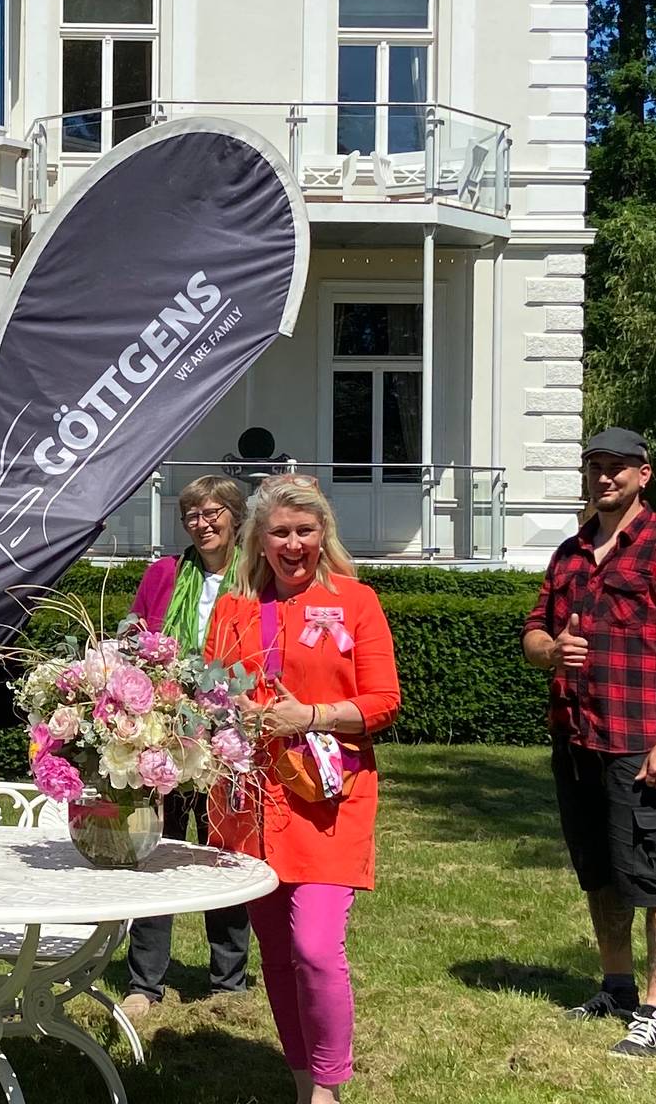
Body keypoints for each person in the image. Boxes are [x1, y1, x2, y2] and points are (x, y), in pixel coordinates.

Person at [520, 426, 656, 1058]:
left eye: (618, 467)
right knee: (598, 872)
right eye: (596, 466)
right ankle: (617, 986)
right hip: (576, 738)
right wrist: (551, 650)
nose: (606, 476)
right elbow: (532, 634)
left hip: (639, 741)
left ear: (643, 474)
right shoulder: (571, 553)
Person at [204, 475, 401, 1104]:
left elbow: (384, 702)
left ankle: (330, 1086)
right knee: (278, 953)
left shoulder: (356, 601)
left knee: (316, 947)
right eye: (280, 532)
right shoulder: (234, 608)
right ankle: (301, 1081)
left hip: (328, 798)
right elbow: (210, 690)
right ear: (259, 540)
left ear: (324, 534)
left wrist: (310, 716)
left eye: (305, 531)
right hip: (251, 800)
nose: (293, 545)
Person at [117, 473, 256, 1018]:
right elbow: (134, 633)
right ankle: (143, 982)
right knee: (157, 850)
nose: (203, 524)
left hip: (230, 731)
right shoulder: (165, 573)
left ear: (236, 516)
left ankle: (229, 980)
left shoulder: (255, 576)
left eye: (213, 512)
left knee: (225, 853)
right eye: (193, 516)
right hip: (168, 732)